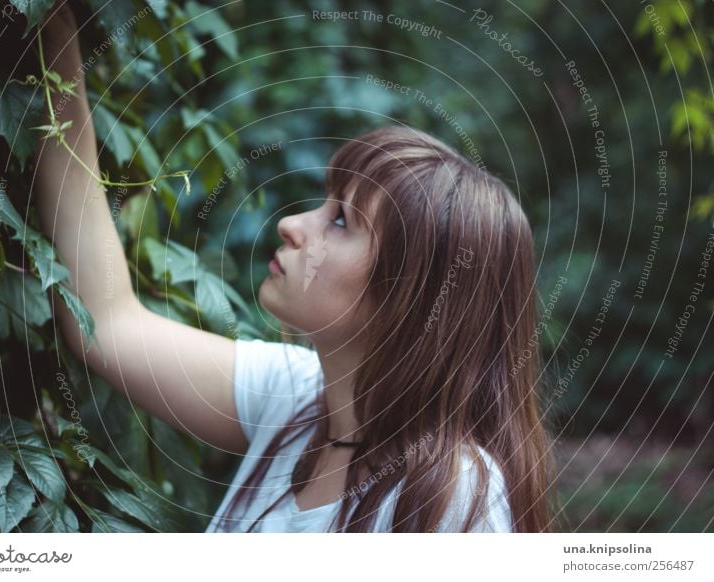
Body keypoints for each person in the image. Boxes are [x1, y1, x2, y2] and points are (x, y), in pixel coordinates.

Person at [34, 2, 555, 533]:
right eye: (323, 204)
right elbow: (108, 321)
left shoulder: (454, 492)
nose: (291, 225)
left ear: (412, 296)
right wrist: (54, 37)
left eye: (340, 221)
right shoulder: (295, 399)